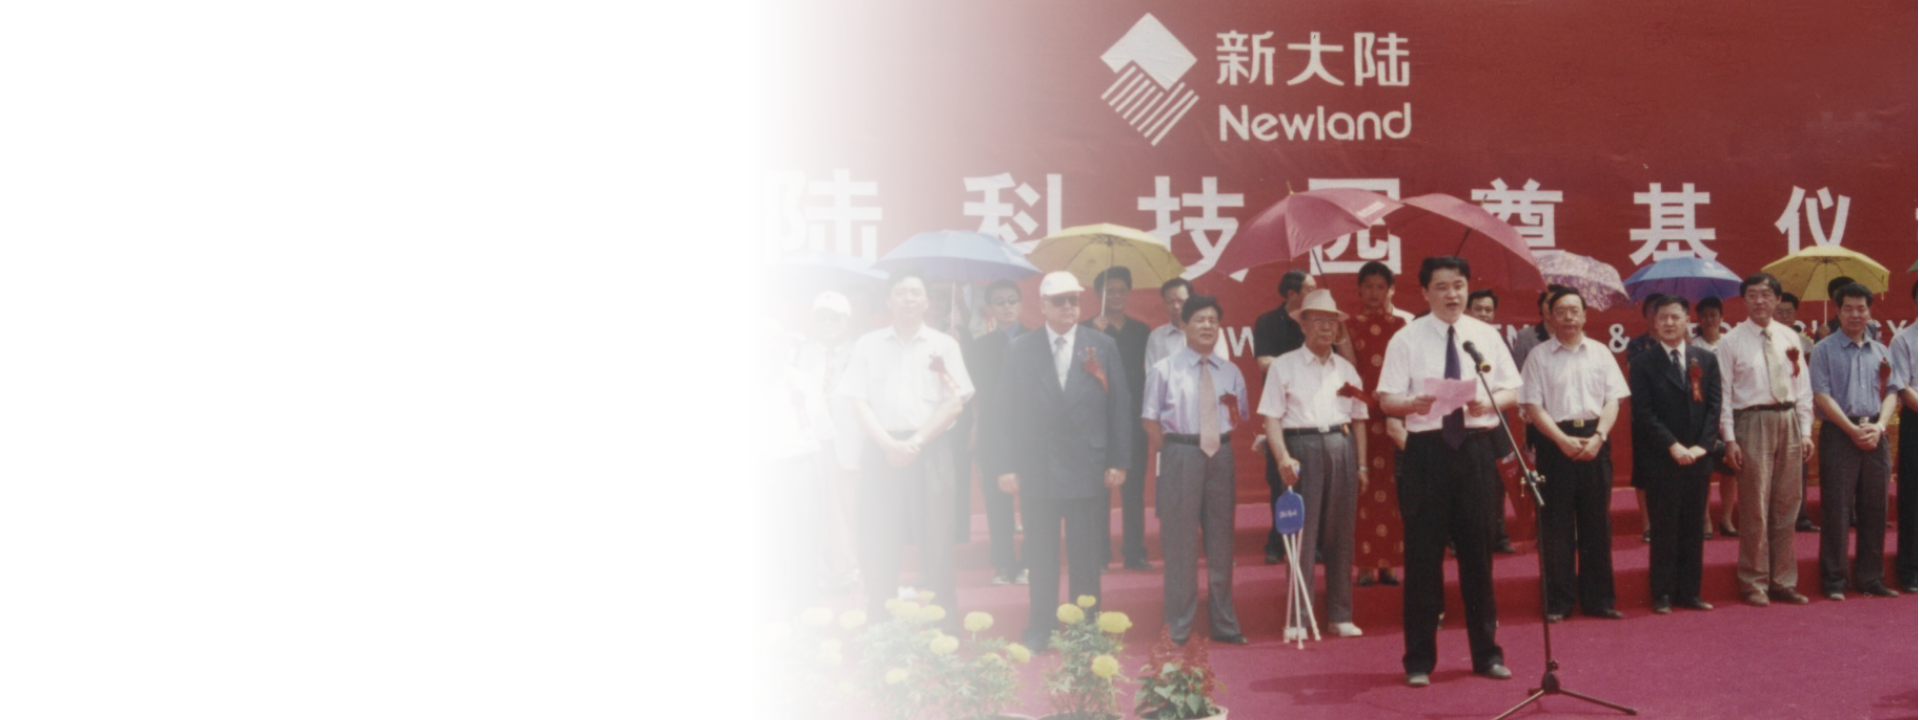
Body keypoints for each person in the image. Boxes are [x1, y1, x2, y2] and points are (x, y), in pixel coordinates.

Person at [1377, 256, 1519, 687]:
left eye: (1458, 285)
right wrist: (1412, 403)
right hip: (1427, 452)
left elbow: (1512, 389)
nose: (1452, 294)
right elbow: (1386, 399)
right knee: (1423, 558)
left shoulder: (1485, 336)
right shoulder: (1406, 338)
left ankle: (1487, 655)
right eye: (1441, 287)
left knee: (1478, 555)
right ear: (1424, 293)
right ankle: (1419, 660)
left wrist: (1488, 401)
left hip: (1475, 449)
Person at [987, 271, 1132, 653]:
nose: (1068, 307)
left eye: (1074, 300)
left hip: (1087, 465)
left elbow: (1119, 407)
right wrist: (1005, 466)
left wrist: (1119, 461)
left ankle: (1086, 630)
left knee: (1086, 556)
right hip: (1038, 467)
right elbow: (1003, 412)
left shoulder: (1102, 346)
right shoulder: (1021, 349)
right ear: (1042, 305)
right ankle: (1041, 627)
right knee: (1041, 555)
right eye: (1059, 300)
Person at [837, 265, 975, 631]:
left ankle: (943, 631)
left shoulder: (944, 345)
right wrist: (887, 443)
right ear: (888, 300)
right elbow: (858, 402)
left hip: (931, 449)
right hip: (881, 449)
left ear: (927, 301)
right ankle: (880, 630)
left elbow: (954, 403)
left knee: (937, 541)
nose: (909, 299)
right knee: (880, 542)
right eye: (901, 292)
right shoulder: (868, 345)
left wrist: (914, 441)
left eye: (916, 292)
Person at [1261, 289, 1371, 638]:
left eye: (1332, 322)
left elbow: (1359, 419)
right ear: (1303, 324)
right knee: (1302, 535)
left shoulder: (1347, 369)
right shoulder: (1283, 365)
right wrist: (1282, 456)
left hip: (1341, 444)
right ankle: (1298, 619)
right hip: (1301, 447)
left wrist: (1362, 465)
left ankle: (1340, 615)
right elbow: (1271, 417)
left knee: (1341, 533)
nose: (1326, 328)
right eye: (1318, 320)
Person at [1142, 295, 1249, 645]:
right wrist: (1175, 451)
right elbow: (1149, 420)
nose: (1207, 326)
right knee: (1180, 542)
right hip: (1181, 452)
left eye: (1213, 321)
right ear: (1184, 325)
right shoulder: (1164, 370)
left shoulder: (1231, 371)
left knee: (1222, 540)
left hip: (1221, 454)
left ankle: (1225, 623)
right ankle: (1177, 626)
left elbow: (1239, 415)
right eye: (1200, 320)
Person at [1522, 287, 1630, 621]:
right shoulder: (1538, 356)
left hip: (1595, 440)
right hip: (1555, 443)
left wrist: (1598, 437)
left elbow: (1613, 401)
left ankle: (1600, 600)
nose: (1568, 317)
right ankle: (1558, 602)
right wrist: (1560, 440)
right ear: (1550, 317)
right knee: (1555, 527)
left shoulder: (1600, 353)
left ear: (1584, 315)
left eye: (1574, 311)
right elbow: (1533, 406)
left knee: (1596, 524)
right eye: (1561, 311)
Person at [1716, 273, 1814, 608]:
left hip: (1788, 419)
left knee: (1788, 503)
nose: (1760, 301)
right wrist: (1730, 439)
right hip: (1752, 420)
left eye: (1767, 294)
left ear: (1777, 299)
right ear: (1743, 300)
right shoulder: (1731, 342)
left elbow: (1803, 388)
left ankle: (1783, 580)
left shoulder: (1789, 336)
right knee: (1755, 505)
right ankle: (1754, 581)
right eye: (1753, 295)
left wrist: (1805, 430)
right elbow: (1724, 395)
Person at [1809, 282, 1901, 601]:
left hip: (1876, 432)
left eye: (1861, 308)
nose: (1855, 314)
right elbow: (1821, 395)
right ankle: (1834, 579)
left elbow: (1892, 392)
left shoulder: (1881, 351)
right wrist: (1851, 429)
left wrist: (1879, 427)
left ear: (1869, 311)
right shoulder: (1824, 350)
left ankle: (1871, 577)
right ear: (1838, 311)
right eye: (1848, 308)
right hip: (1840, 433)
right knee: (1837, 508)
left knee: (1875, 507)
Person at [1631, 295, 1721, 614]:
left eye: (1675, 317)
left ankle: (1689, 592)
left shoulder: (1705, 360)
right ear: (1654, 323)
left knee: (1694, 526)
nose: (1669, 323)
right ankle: (1663, 593)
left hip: (1697, 457)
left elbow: (1714, 406)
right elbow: (1644, 413)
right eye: (1663, 318)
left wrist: (1702, 446)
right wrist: (1673, 445)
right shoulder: (1643, 363)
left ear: (1687, 321)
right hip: (1663, 458)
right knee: (1664, 527)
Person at [752, 315, 834, 625]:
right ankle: (759, 638)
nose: (778, 346)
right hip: (755, 476)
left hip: (800, 474)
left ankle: (805, 639)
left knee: (804, 560)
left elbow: (822, 432)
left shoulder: (805, 381)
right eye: (768, 340)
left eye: (782, 339)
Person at [1082, 267, 1154, 571]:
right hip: (1098, 420)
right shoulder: (1085, 330)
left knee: (1133, 490)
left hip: (1133, 419)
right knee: (1098, 490)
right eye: (1109, 291)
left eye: (1121, 290)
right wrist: (1095, 337)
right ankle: (1098, 554)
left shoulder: (1142, 330)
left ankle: (1134, 552)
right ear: (1097, 294)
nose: (1116, 296)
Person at [793, 291, 861, 595]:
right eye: (821, 317)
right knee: (811, 509)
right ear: (813, 320)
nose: (828, 323)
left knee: (845, 509)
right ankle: (815, 573)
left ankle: (845, 571)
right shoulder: (796, 355)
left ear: (847, 321)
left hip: (848, 439)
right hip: (809, 441)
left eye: (835, 317)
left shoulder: (861, 352)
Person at [1346, 261, 1407, 586]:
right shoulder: (1347, 327)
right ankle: (1366, 564)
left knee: (1393, 490)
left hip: (1394, 416)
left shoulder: (1402, 327)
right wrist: (1363, 397)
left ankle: (1389, 563)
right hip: (1361, 417)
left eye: (1380, 287)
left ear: (1390, 291)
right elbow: (1345, 374)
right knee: (1363, 487)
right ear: (1359, 289)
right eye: (1368, 286)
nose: (1374, 292)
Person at [967, 279, 1031, 586]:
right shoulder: (979, 347)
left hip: (1031, 433)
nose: (1006, 307)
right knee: (997, 502)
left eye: (1011, 301)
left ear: (1020, 305)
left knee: (1033, 502)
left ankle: (1030, 562)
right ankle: (1004, 563)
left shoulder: (1037, 340)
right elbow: (972, 393)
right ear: (989, 309)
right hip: (994, 433)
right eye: (999, 302)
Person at [1254, 269, 1315, 564]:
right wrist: (1298, 364)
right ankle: (1278, 542)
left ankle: (1312, 543)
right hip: (1280, 413)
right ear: (1292, 294)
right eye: (1310, 288)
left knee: (1313, 481)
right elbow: (1264, 362)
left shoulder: (1315, 321)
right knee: (1279, 479)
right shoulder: (1267, 321)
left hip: (1311, 412)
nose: (1315, 292)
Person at [1467, 288, 1523, 554]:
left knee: (1499, 478)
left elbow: (1510, 385)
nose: (1484, 314)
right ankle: (1459, 538)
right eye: (1478, 309)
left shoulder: (1498, 342)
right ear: (1468, 310)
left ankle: (1499, 535)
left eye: (1488, 310)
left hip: (1497, 419)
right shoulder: (1458, 339)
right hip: (1465, 421)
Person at [927, 281, 978, 548]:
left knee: (955, 473)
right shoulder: (914, 333)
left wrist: (958, 348)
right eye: (931, 296)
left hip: (957, 414)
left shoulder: (961, 334)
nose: (936, 301)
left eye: (941, 297)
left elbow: (974, 379)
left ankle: (956, 531)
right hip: (923, 414)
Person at [1775, 292, 1821, 534]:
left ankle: (1800, 517)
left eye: (1788, 312)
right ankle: (1775, 519)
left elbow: (1809, 379)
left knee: (1798, 465)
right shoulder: (1765, 338)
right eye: (1780, 311)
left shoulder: (1804, 342)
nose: (1784, 316)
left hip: (1796, 407)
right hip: (1771, 408)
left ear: (1795, 314)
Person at [1693, 296, 1738, 538]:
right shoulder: (1692, 347)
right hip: (1703, 413)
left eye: (1713, 314)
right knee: (1704, 469)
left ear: (1722, 317)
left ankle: (1727, 519)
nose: (1709, 319)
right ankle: (1705, 519)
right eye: (1704, 315)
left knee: (1730, 468)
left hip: (1730, 409)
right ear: (1698, 319)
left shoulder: (1731, 343)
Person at [1890, 282, 1919, 593]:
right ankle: (1910, 569)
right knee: (1913, 497)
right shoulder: (1903, 339)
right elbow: (1901, 385)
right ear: (1914, 301)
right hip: (1916, 419)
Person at [1146, 278, 1228, 370]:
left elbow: (1222, 367)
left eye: (1181, 301)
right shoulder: (1156, 336)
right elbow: (1152, 372)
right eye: (1170, 302)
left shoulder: (1211, 331)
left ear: (1190, 301)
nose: (1176, 306)